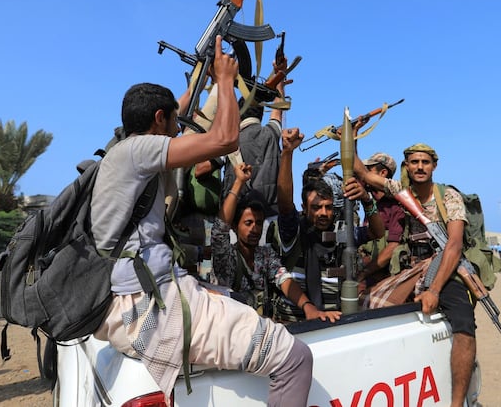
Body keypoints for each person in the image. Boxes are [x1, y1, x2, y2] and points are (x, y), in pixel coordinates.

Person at [91, 36, 312, 407]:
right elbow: (224, 138)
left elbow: (186, 110)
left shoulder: (122, 151)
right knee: (295, 358)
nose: (180, 129)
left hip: (145, 291)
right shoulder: (140, 150)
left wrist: (207, 78)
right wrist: (224, 79)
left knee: (229, 299)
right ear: (158, 120)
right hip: (147, 303)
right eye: (173, 123)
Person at [353, 143, 475, 407]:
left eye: (426, 162)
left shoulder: (448, 197)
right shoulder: (401, 191)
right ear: (407, 166)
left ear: (434, 166)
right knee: (372, 304)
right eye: (414, 162)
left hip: (445, 265)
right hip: (411, 266)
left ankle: (456, 402)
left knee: (464, 323)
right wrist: (353, 136)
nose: (420, 167)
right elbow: (360, 172)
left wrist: (434, 289)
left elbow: (453, 245)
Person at [275, 127, 384, 321]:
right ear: (304, 208)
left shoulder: (342, 232)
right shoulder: (294, 231)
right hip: (293, 324)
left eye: (328, 207)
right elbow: (284, 203)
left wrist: (367, 200)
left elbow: (377, 232)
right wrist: (287, 153)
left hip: (332, 322)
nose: (323, 213)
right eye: (316, 207)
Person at [212, 162, 341, 322]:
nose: (254, 229)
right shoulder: (227, 256)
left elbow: (284, 279)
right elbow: (219, 230)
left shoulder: (264, 256)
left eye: (259, 223)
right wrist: (239, 182)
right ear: (234, 226)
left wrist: (308, 306)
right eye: (248, 223)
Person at [220, 53, 290, 213]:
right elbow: (278, 110)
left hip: (238, 219)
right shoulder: (271, 133)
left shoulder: (229, 142)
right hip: (271, 215)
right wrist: (280, 76)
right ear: (261, 114)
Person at [354, 153, 406, 295]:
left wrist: (363, 274)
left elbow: (392, 248)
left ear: (382, 173)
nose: (363, 176)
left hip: (380, 275)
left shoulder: (397, 205)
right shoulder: (369, 201)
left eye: (368, 170)